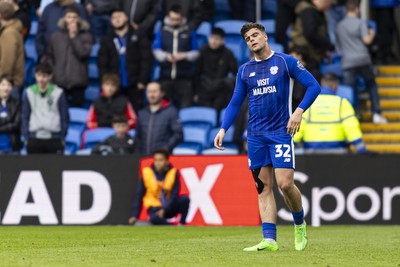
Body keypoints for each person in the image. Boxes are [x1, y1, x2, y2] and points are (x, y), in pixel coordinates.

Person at [214, 22, 321, 252]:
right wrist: (223, 128)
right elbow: (235, 102)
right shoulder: (245, 71)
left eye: (255, 35)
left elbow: (314, 86)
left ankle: (299, 224)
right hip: (255, 136)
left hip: (281, 134)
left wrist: (299, 111)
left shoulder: (285, 62)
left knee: (285, 184)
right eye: (247, 38)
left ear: (265, 37)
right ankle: (270, 239)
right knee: (263, 187)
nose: (252, 40)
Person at [335, 0, 387, 124]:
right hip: (363, 59)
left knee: (350, 89)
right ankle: (376, 113)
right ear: (357, 9)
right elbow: (367, 40)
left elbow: (338, 46)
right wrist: (372, 33)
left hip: (347, 61)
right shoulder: (361, 23)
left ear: (345, 10)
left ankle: (351, 115)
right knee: (371, 85)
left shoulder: (339, 25)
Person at [294, 73, 367, 154]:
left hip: (311, 152)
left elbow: (299, 125)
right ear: (336, 85)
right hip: (338, 152)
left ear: (321, 84)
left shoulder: (309, 103)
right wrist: (361, 149)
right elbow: (350, 127)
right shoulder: (342, 103)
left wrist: (292, 143)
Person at [97, 9, 152, 110]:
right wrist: (105, 83)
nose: (117, 20)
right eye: (114, 18)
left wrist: (142, 80)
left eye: (119, 16)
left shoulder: (139, 35)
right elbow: (102, 64)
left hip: (134, 83)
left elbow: (146, 59)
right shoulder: (106, 39)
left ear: (126, 18)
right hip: (114, 84)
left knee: (135, 112)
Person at [44, 6, 93, 107]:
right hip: (59, 81)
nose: (71, 20)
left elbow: (83, 54)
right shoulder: (56, 36)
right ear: (64, 19)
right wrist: (54, 72)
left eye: (74, 17)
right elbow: (49, 56)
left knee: (78, 112)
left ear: (79, 19)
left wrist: (74, 37)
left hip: (78, 82)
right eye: (69, 17)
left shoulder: (86, 36)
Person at [153, 4, 199, 109]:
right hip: (166, 76)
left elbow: (196, 53)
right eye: (172, 19)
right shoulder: (162, 32)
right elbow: (156, 51)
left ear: (182, 18)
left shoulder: (189, 32)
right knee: (165, 110)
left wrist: (185, 56)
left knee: (185, 109)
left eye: (177, 19)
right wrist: (166, 56)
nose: (174, 22)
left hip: (184, 77)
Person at [128, 149, 190, 225]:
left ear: (167, 161)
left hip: (169, 206)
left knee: (185, 199)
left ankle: (182, 224)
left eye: (160, 160)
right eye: (156, 160)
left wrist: (165, 209)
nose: (157, 163)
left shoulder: (173, 173)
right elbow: (139, 195)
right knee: (154, 218)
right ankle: (171, 227)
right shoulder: (147, 173)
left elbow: (174, 194)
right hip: (155, 207)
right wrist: (134, 215)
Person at [21, 62, 69, 154]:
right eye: (39, 75)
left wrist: (62, 136)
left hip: (54, 138)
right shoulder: (29, 92)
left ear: (50, 77)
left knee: (55, 168)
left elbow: (65, 117)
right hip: (34, 138)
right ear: (35, 75)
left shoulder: (58, 93)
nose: (41, 79)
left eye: (44, 76)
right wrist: (26, 137)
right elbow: (25, 116)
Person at [195, 27, 238, 112]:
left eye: (217, 39)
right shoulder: (203, 51)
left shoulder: (228, 53)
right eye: (212, 38)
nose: (213, 41)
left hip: (221, 89)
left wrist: (225, 82)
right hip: (205, 88)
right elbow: (197, 73)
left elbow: (235, 74)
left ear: (223, 41)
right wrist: (196, 92)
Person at [135, 81, 183, 155]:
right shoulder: (142, 113)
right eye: (149, 92)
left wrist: (165, 149)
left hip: (163, 158)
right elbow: (138, 136)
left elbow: (178, 134)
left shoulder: (171, 111)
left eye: (154, 91)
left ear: (162, 93)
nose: (151, 95)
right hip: (144, 157)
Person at [290, 0, 335, 66]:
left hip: (309, 52)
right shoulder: (308, 10)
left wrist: (323, 51)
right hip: (305, 54)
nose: (327, 9)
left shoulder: (312, 10)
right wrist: (329, 46)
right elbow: (310, 34)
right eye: (329, 5)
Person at [0, 1, 24, 98]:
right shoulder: (10, 31)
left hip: (8, 85)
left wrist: (2, 79)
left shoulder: (9, 33)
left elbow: (7, 61)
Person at [0, 77, 21, 154]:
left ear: (12, 88)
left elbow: (16, 124)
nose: (6, 88)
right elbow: (11, 124)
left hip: (12, 147)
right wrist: (8, 123)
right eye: (3, 85)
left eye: (9, 85)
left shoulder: (16, 104)